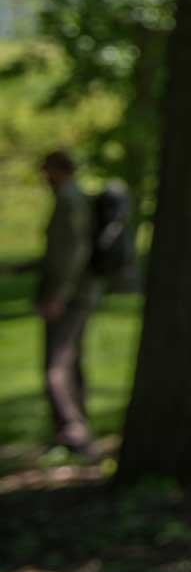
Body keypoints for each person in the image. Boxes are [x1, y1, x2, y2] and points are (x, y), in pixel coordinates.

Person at [10, 149, 106, 453]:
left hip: (71, 296)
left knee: (57, 366)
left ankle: (73, 432)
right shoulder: (74, 198)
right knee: (70, 361)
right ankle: (77, 429)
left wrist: (57, 295)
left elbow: (72, 253)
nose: (44, 176)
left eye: (46, 169)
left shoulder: (69, 201)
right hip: (77, 293)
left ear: (58, 169)